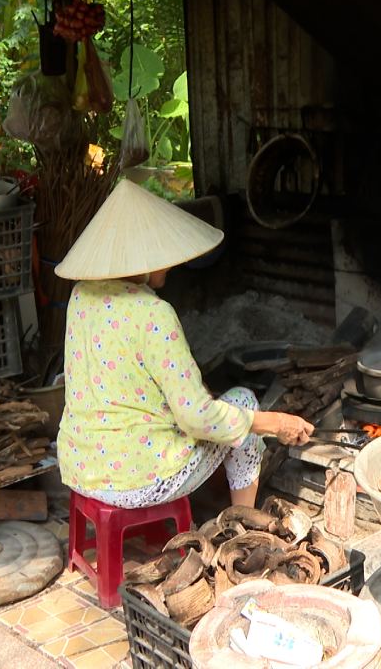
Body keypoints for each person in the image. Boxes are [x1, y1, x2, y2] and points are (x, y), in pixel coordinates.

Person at [54, 179, 315, 509]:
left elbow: (132, 378)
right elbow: (196, 417)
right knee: (245, 401)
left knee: (225, 409)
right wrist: (275, 423)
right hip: (139, 482)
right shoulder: (153, 314)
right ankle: (244, 524)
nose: (171, 262)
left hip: (81, 468)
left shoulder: (81, 295)